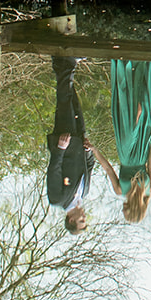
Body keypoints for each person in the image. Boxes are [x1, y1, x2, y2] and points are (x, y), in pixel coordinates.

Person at [46, 56, 116, 233]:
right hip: (79, 140)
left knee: (64, 103)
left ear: (71, 219)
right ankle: (60, 61)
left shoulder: (57, 199)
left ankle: (68, 62)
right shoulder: (84, 194)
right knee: (73, 102)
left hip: (65, 141)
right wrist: (89, 151)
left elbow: (54, 170)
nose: (84, 217)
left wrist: (61, 148)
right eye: (85, 221)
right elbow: (89, 166)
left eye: (81, 221)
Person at [105, 60, 151, 223]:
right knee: (145, 111)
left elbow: (108, 169)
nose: (122, 209)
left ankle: (133, 68)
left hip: (130, 154)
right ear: (132, 209)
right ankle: (143, 67)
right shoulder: (146, 190)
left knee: (136, 112)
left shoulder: (122, 191)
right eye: (125, 211)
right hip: (135, 155)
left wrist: (93, 149)